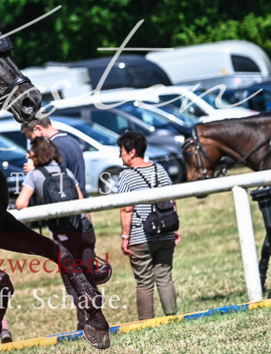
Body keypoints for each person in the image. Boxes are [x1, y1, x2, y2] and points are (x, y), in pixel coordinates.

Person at [15, 137, 108, 330]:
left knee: (71, 279)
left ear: (36, 154)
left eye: (30, 152)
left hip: (62, 235)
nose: (27, 155)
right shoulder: (65, 171)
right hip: (83, 230)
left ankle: (84, 321)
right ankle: (99, 317)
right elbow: (81, 199)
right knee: (88, 276)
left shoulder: (34, 175)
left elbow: (20, 204)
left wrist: (31, 175)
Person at [116, 130, 179, 320]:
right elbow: (172, 201)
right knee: (165, 275)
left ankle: (146, 322)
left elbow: (127, 209)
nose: (120, 155)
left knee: (144, 281)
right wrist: (175, 230)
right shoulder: (161, 170)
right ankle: (172, 316)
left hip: (141, 235)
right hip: (166, 231)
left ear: (132, 152)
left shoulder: (127, 176)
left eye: (122, 151)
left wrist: (125, 237)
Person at [21, 116, 87, 197]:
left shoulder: (54, 146)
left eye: (30, 137)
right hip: (79, 195)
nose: (32, 142)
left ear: (38, 129)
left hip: (68, 198)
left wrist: (33, 170)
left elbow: (56, 176)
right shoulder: (71, 139)